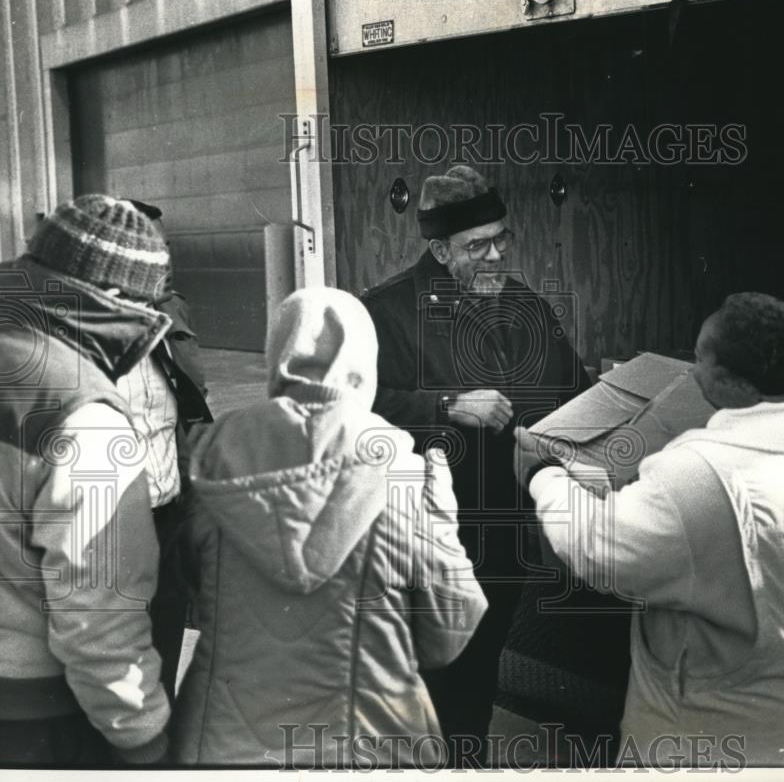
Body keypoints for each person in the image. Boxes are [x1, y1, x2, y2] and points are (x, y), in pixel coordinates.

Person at [519, 292, 784, 767]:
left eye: (698, 359)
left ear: (725, 379)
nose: (689, 371)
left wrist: (539, 473)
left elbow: (595, 549)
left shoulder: (698, 470)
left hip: (725, 737)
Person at [169, 287, 487, 767]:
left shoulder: (211, 462)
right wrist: (441, 522)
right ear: (366, 362)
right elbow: (447, 635)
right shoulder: (405, 475)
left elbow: (189, 586)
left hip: (222, 743)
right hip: (370, 744)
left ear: (277, 354)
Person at [360, 165, 591, 755]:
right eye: (477, 246)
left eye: (502, 239)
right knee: (427, 685)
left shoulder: (527, 306)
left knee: (478, 675)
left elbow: (576, 388)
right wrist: (444, 404)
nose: (495, 256)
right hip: (428, 540)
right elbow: (347, 412)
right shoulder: (383, 314)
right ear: (438, 248)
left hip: (504, 533)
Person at [0, 194, 173, 765]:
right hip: (29, 715)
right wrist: (142, 736)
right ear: (119, 299)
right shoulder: (82, 415)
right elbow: (98, 619)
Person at [119, 198, 212, 701]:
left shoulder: (171, 311)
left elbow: (193, 408)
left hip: (170, 510)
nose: (165, 258)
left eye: (166, 246)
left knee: (167, 636)